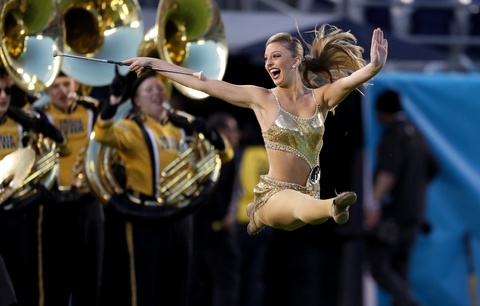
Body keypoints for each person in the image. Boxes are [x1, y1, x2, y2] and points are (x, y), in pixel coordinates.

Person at [124, 24, 388, 235]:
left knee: (301, 206)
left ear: (296, 60)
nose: (269, 63)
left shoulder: (320, 100)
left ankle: (313, 209)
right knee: (290, 203)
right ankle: (325, 207)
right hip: (274, 197)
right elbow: (204, 84)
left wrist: (373, 67)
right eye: (266, 58)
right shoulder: (262, 98)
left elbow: (348, 82)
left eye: (276, 56)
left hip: (308, 198)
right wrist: (152, 62)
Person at [94, 71, 233, 306]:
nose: (157, 93)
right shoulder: (131, 128)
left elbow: (226, 154)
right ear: (137, 101)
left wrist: (209, 133)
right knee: (144, 289)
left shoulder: (181, 126)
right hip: (144, 217)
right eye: (148, 90)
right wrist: (114, 101)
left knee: (178, 288)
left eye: (160, 88)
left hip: (180, 215)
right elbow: (102, 134)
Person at [32, 72, 104, 306]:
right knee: (54, 284)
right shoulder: (38, 117)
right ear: (46, 92)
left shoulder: (95, 112)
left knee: (90, 281)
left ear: (76, 84)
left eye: (66, 84)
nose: (62, 91)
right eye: (55, 87)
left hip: (89, 201)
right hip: (53, 204)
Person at [364, 89, 440, 306]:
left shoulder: (394, 134)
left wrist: (374, 202)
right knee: (400, 267)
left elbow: (388, 172)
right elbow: (434, 167)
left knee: (378, 264)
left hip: (396, 213)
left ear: (383, 112)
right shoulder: (415, 133)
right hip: (416, 211)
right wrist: (414, 187)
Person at [0, 68, 69, 306]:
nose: (2, 97)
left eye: (6, 90)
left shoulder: (21, 123)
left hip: (18, 213)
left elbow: (62, 146)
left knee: (22, 282)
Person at [189, 111, 242, 306]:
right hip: (211, 230)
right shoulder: (218, 157)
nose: (238, 135)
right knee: (222, 285)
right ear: (221, 132)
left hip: (204, 231)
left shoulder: (222, 156)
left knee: (199, 286)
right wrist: (225, 215)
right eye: (233, 130)